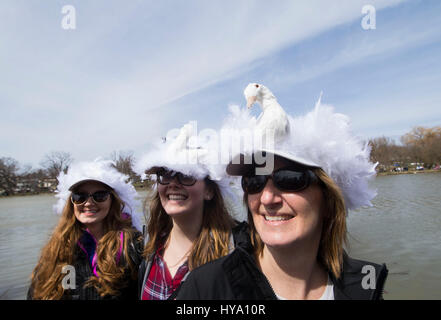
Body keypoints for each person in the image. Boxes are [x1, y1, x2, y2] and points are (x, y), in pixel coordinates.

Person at [176, 88, 389, 300]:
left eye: (290, 179)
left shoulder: (365, 286)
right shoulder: (206, 289)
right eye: (254, 181)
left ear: (328, 200)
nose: (268, 198)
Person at [135, 122, 244, 300]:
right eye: (166, 175)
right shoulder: (148, 245)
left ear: (209, 191)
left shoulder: (234, 252)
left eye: (186, 176)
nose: (173, 184)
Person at [28, 159, 144, 300]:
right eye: (80, 196)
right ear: (71, 202)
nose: (88, 203)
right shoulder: (57, 247)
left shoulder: (134, 245)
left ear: (112, 200)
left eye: (99, 196)